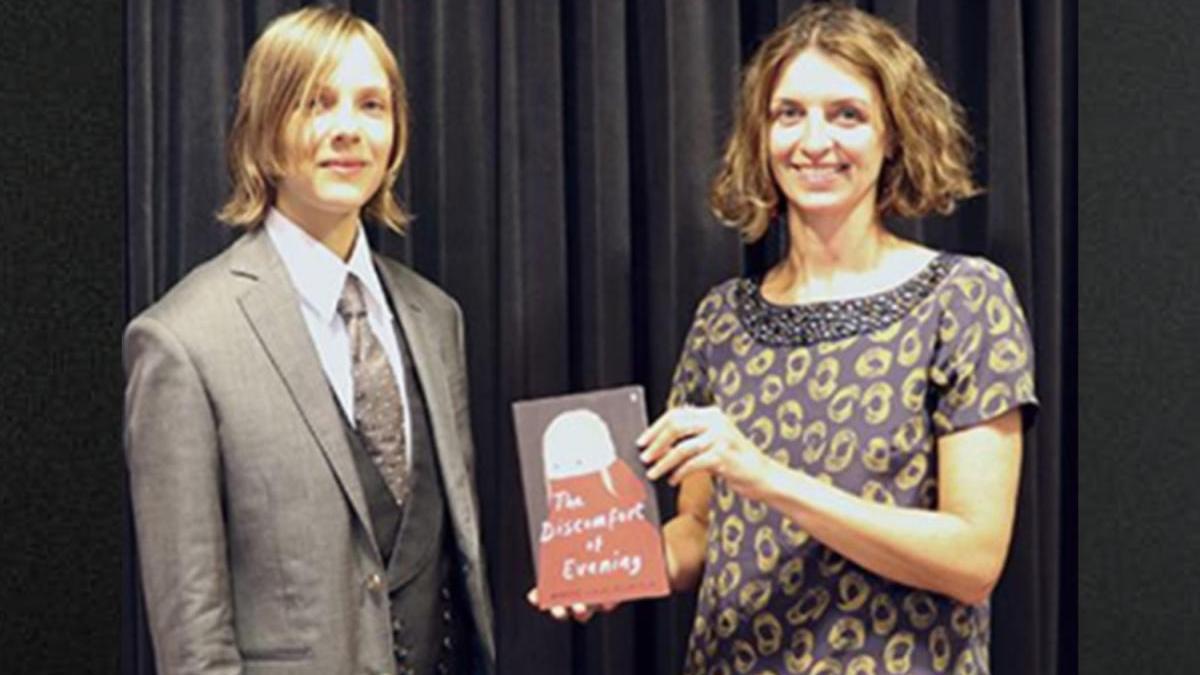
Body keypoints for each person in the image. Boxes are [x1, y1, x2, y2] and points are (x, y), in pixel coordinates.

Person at [546, 4, 1037, 674]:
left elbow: (974, 559)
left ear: (894, 134)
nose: (813, 141)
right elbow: (699, 530)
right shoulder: (722, 319)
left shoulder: (964, 298)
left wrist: (769, 479)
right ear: (761, 133)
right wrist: (617, 566)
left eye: (847, 115)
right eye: (789, 114)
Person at [123, 7, 494, 674]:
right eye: (315, 103)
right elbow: (194, 641)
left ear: (397, 132)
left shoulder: (437, 319)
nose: (347, 128)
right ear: (265, 127)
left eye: (371, 104)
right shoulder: (181, 342)